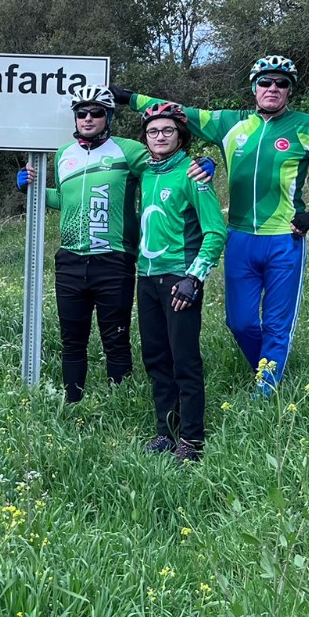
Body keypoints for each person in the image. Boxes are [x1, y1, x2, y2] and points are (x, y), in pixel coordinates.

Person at [116, 55, 309, 395]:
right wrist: (127, 98)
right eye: (265, 82)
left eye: (281, 83)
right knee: (240, 322)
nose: (272, 88)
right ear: (254, 88)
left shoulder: (306, 125)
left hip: (284, 238)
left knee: (276, 323)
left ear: (290, 91)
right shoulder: (231, 123)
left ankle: (266, 389)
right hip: (240, 238)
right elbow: (177, 112)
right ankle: (267, 367)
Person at [19, 86, 213, 403]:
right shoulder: (63, 154)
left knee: (116, 340)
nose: (88, 118)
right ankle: (72, 404)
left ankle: (119, 405)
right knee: (72, 340)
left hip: (114, 259)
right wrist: (34, 189)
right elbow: (65, 200)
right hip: (70, 259)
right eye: (82, 112)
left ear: (108, 116)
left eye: (96, 112)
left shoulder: (130, 151)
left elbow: (166, 169)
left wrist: (201, 164)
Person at [135, 102, 228, 464]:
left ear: (180, 135)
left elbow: (215, 230)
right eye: (153, 131)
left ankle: (191, 439)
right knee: (156, 358)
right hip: (146, 275)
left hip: (180, 278)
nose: (160, 137)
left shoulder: (193, 174)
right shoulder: (145, 172)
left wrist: (195, 276)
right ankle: (166, 431)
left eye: (168, 131)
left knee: (183, 359)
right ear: (145, 138)